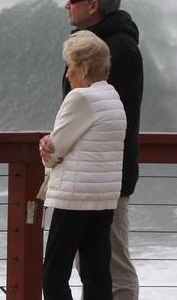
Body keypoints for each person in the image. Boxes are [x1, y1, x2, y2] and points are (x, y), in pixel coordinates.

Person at [49, 0, 143, 300]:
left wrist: (60, 146)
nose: (66, 5)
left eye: (72, 0)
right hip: (89, 177)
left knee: (112, 267)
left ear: (92, 5)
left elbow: (121, 123)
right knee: (91, 267)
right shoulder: (94, 45)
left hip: (105, 178)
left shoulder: (119, 49)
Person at [39, 31, 127, 300]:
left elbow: (56, 149)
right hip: (103, 198)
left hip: (75, 198)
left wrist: (46, 148)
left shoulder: (80, 98)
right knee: (96, 270)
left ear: (84, 68)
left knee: (54, 272)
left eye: (71, 66)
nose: (67, 74)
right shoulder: (113, 98)